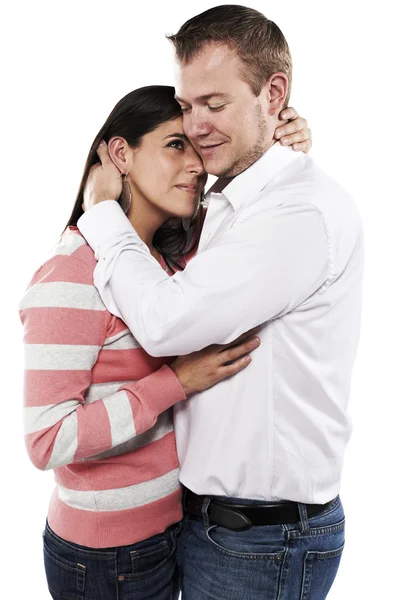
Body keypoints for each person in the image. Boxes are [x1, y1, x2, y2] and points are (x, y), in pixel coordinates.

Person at [78, 5, 364, 600]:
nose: (199, 125)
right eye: (187, 107)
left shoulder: (296, 214)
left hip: (259, 540)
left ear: (273, 93)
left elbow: (163, 321)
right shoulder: (233, 201)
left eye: (216, 104)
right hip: (203, 526)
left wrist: (102, 212)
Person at [20, 82, 310, 600]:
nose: (198, 165)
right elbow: (45, 441)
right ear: (120, 153)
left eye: (198, 149)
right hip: (104, 556)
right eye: (175, 145)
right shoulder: (72, 273)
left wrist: (279, 146)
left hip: (172, 534)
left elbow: (250, 231)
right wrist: (171, 383)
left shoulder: (162, 263)